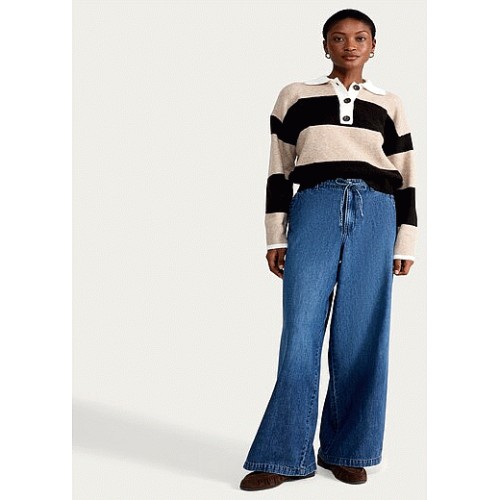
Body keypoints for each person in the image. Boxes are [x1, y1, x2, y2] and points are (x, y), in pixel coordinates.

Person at [239, 8, 418, 492]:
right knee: (300, 333)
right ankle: (283, 455)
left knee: (362, 334)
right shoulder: (296, 96)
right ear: (325, 46)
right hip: (314, 207)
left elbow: (406, 175)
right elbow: (279, 168)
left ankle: (348, 450)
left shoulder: (390, 103)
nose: (350, 45)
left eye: (360, 38)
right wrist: (276, 235)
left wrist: (405, 239)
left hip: (376, 212)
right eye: (338, 38)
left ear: (374, 46)